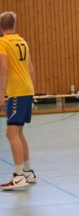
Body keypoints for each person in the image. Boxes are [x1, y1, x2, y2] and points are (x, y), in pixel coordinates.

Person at [0, 12, 37, 190]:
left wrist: (1, 93)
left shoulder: (3, 43)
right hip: (27, 90)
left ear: (1, 27)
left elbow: (4, 69)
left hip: (16, 93)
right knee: (19, 132)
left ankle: (19, 176)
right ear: (14, 24)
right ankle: (28, 172)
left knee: (11, 133)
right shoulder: (22, 41)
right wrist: (31, 91)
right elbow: (30, 69)